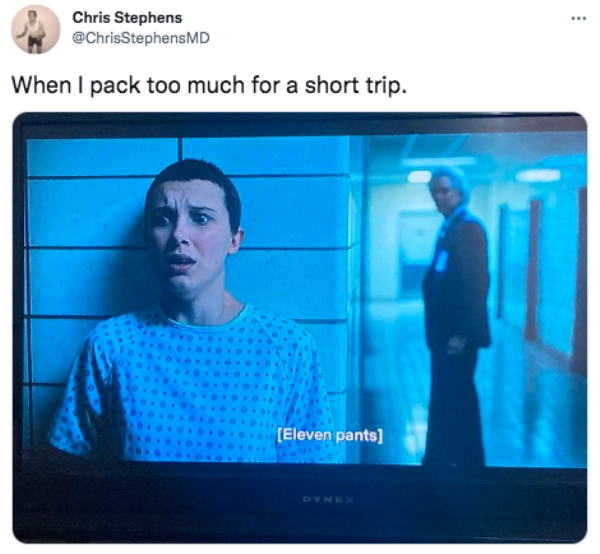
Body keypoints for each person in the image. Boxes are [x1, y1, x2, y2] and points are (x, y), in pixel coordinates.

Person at [48, 158, 339, 463]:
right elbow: (64, 467)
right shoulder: (110, 345)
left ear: (234, 240)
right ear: (148, 238)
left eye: (200, 218)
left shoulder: (288, 346)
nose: (178, 235)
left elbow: (313, 472)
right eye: (163, 219)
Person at [421, 167, 490, 468]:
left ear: (459, 193)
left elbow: (476, 284)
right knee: (447, 397)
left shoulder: (469, 228)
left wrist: (463, 333)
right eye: (434, 191)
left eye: (444, 190)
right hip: (444, 334)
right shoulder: (451, 226)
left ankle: (467, 466)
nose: (438, 196)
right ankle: (442, 461)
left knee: (457, 397)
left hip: (456, 337)